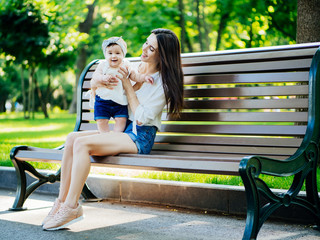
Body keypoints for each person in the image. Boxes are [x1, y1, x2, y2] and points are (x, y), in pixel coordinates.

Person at [42, 28, 184, 231]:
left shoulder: (162, 83)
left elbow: (142, 119)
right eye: (146, 42)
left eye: (151, 48)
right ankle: (60, 203)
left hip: (139, 136)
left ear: (162, 55)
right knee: (72, 138)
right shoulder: (136, 67)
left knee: (82, 143)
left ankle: (72, 206)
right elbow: (101, 83)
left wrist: (127, 85)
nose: (144, 49)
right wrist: (100, 82)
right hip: (125, 130)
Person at [90, 36, 154, 133]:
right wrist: (102, 78)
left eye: (117, 53)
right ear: (105, 54)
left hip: (120, 101)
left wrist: (144, 77)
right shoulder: (103, 65)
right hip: (103, 100)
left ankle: (116, 136)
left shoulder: (126, 65)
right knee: (101, 120)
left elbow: (135, 76)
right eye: (110, 53)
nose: (113, 56)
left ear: (123, 54)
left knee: (121, 120)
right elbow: (95, 76)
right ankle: (104, 137)